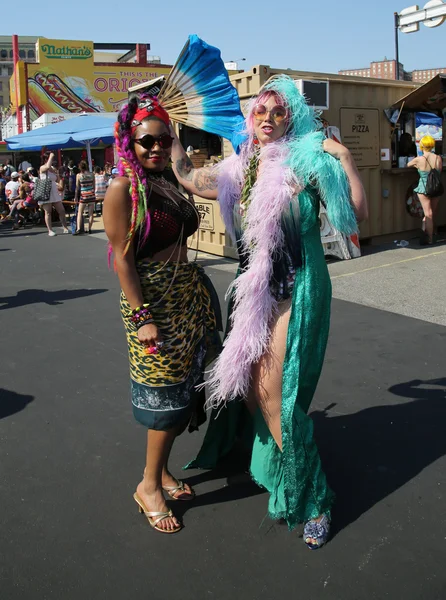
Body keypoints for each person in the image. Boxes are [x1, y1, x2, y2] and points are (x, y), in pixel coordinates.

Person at [171, 75, 368, 549]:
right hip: (255, 289)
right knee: (253, 393)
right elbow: (189, 178)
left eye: (278, 112)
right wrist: (174, 132)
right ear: (250, 117)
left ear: (291, 118)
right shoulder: (241, 166)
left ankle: (315, 497)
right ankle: (278, 462)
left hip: (297, 287)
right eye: (260, 110)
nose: (267, 118)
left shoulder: (309, 161)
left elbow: (355, 212)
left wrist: (342, 154)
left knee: (276, 393)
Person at [103, 94, 222, 534]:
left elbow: (205, 185)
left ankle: (164, 472)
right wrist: (142, 317)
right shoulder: (122, 189)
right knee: (166, 397)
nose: (154, 147)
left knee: (185, 389)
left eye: (163, 138)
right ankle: (148, 486)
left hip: (185, 297)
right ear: (128, 143)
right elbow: (122, 259)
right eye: (145, 140)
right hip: (152, 304)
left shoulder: (168, 180)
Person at [407, 135, 443, 245]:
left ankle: (430, 239)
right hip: (436, 187)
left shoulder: (419, 159)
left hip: (424, 188)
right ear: (432, 145)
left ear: (422, 146)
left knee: (428, 213)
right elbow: (439, 172)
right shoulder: (438, 158)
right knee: (432, 213)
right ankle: (426, 233)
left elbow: (408, 164)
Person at [39, 152, 69, 237]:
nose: (52, 160)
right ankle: (50, 230)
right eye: (50, 158)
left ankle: (65, 227)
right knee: (48, 212)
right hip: (46, 191)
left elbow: (58, 178)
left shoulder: (52, 168)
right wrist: (51, 156)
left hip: (54, 190)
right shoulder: (43, 167)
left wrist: (60, 182)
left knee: (61, 210)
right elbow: (47, 167)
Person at [74, 161, 95, 235]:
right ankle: (89, 229)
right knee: (91, 214)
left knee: (80, 213)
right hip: (91, 195)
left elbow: (77, 188)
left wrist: (76, 197)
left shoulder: (79, 175)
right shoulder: (92, 174)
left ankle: (79, 229)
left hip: (83, 196)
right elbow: (94, 186)